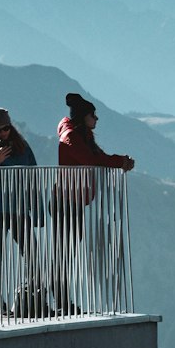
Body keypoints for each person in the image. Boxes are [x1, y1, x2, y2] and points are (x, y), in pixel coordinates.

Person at [53, 93, 134, 315]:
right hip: (65, 201)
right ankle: (59, 297)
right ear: (83, 116)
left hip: (73, 200)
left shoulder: (82, 135)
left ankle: (61, 297)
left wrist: (119, 161)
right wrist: (120, 162)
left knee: (67, 250)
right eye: (93, 115)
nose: (96, 119)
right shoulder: (71, 136)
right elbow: (91, 160)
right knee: (64, 251)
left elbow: (97, 156)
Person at [0, 108, 46, 318]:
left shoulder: (23, 149)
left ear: (11, 127)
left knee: (31, 253)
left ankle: (31, 297)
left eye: (5, 129)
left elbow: (33, 178)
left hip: (18, 210)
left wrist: (38, 210)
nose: (2, 133)